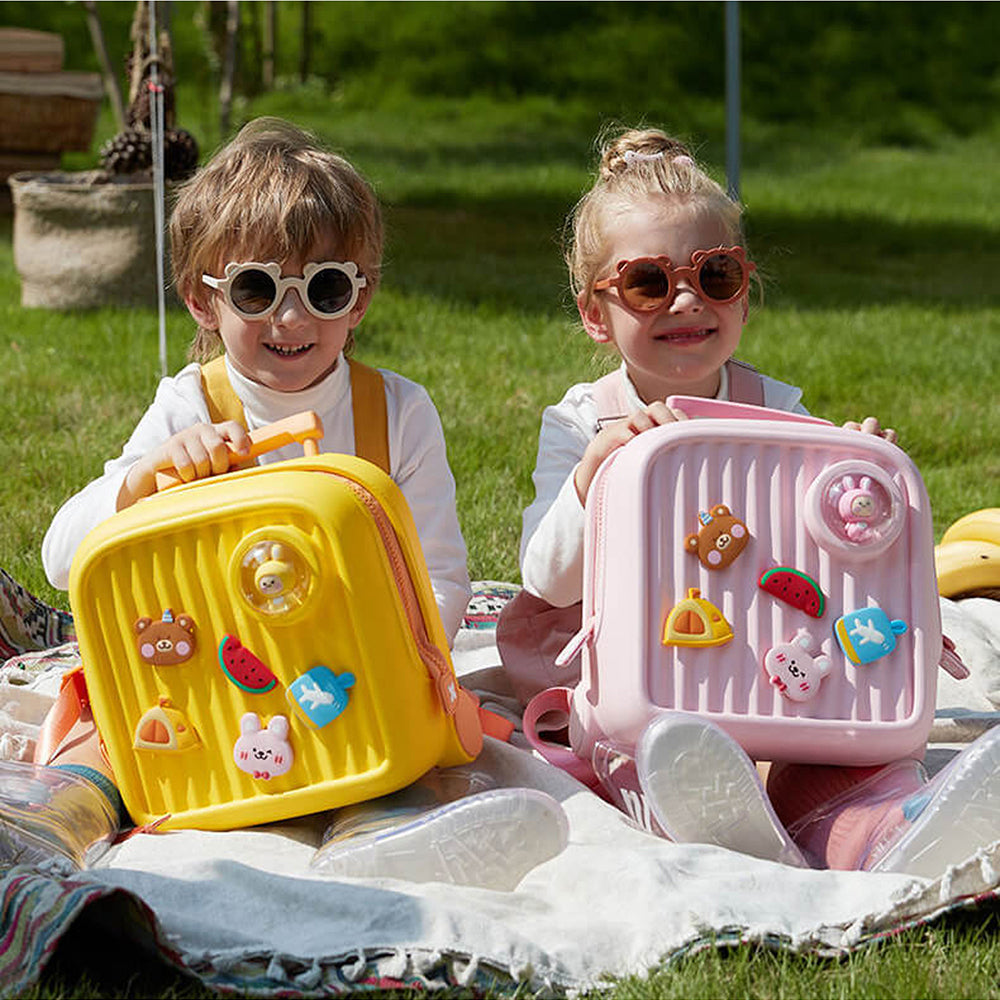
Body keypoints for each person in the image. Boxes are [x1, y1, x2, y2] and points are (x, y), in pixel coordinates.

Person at [500, 126, 1000, 878]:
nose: (685, 300)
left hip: (766, 663)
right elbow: (545, 578)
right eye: (646, 283)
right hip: (634, 681)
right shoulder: (583, 421)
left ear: (745, 286)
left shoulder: (778, 410)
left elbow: (823, 555)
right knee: (646, 747)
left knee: (836, 755)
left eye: (717, 275)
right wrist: (591, 476)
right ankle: (702, 811)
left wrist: (857, 473)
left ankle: (889, 830)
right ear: (596, 314)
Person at [42, 117, 470, 642]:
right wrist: (148, 477)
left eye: (325, 288)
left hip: (364, 660)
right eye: (256, 289)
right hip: (229, 671)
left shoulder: (398, 414)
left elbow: (440, 581)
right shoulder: (193, 408)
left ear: (359, 299)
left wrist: (399, 664)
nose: (291, 319)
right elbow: (61, 561)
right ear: (202, 300)